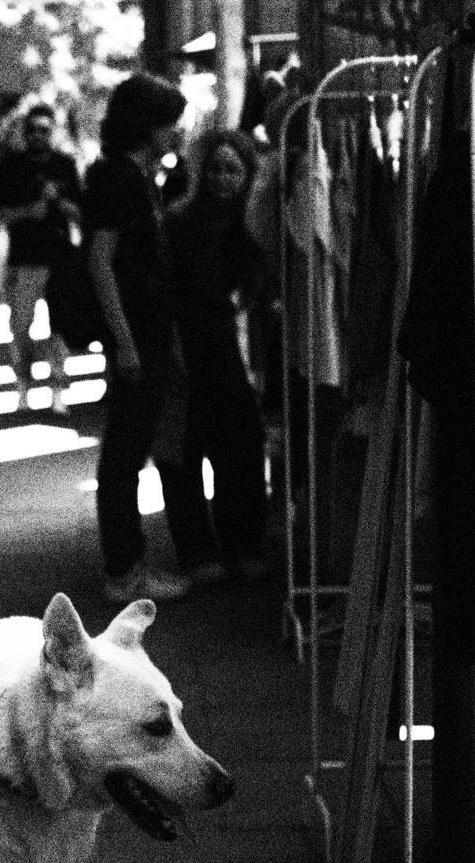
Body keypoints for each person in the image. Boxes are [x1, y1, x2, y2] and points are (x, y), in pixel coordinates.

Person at [79, 71, 224, 603]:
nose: (178, 133)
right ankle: (124, 570)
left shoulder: (131, 175)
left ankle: (128, 564)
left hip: (145, 332)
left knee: (129, 448)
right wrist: (125, 342)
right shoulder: (120, 179)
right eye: (170, 124)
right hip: (139, 334)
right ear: (147, 126)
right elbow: (101, 262)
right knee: (125, 453)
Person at [161, 128, 271, 580]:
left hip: (232, 346)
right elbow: (166, 290)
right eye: (216, 168)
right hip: (189, 342)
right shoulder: (179, 222)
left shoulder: (256, 225)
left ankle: (243, 542)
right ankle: (197, 551)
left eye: (233, 169)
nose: (223, 178)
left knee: (242, 447)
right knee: (183, 451)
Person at [0, 102, 84, 415]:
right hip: (24, 258)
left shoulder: (65, 165)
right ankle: (22, 388)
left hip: (59, 258)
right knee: (20, 326)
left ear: (52, 131)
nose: (38, 136)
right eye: (32, 130)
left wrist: (58, 200)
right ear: (24, 132)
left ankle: (58, 389)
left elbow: (81, 213)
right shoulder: (8, 167)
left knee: (59, 326)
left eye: (45, 129)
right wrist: (29, 211)